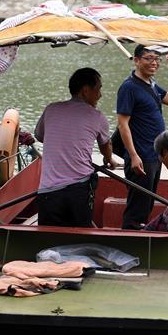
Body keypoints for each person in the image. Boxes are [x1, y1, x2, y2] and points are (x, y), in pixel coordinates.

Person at [34, 67, 115, 227]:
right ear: (85, 91)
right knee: (80, 237)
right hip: (79, 191)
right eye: (98, 89)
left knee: (47, 239)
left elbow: (40, 136)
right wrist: (109, 159)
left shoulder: (51, 109)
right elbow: (106, 145)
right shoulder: (97, 116)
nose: (100, 95)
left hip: (48, 192)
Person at [116, 45, 168, 229]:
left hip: (154, 156)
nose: (154, 63)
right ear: (137, 60)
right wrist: (133, 156)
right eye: (149, 58)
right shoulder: (129, 87)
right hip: (141, 157)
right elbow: (123, 124)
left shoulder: (151, 84)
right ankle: (130, 238)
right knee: (137, 209)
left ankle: (140, 238)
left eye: (157, 59)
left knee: (147, 203)